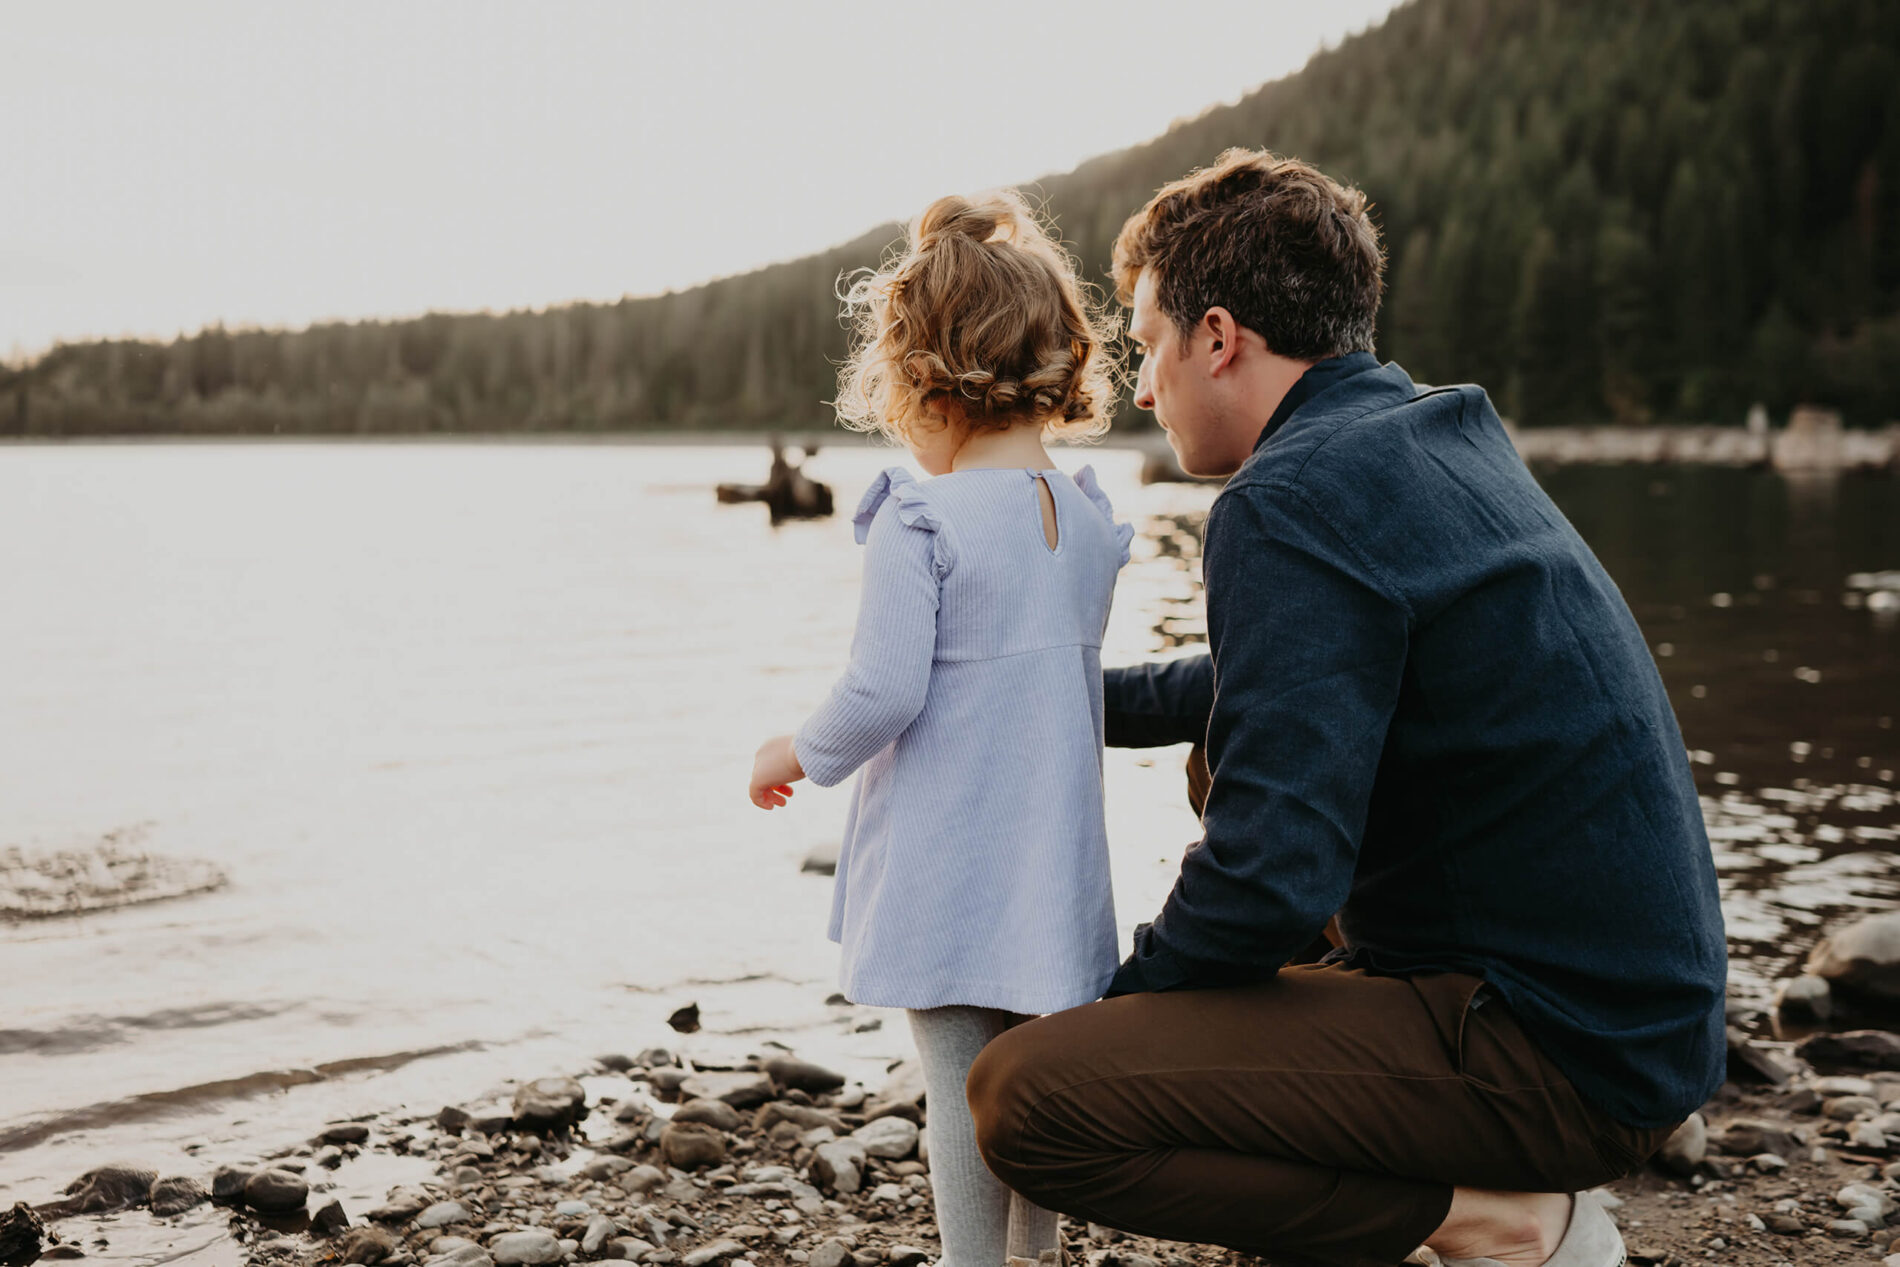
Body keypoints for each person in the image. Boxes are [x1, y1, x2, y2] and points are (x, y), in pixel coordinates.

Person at [965, 149, 1728, 1267]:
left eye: (1145, 344)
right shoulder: (1424, 432)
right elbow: (1256, 682)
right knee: (1221, 754)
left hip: (1557, 1055)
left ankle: (1504, 1222)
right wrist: (1036, 697)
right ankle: (1437, 1135)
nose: (1138, 384)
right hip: (1635, 1025)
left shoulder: (1286, 500)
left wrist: (1121, 1011)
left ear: (1217, 338)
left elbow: (1272, 875)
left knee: (1026, 1098)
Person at [746, 189, 1134, 1267]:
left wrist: (792, 751)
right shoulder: (1092, 522)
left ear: (926, 378)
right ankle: (1035, 1257)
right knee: (1034, 1093)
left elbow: (880, 692)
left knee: (960, 1096)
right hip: (1051, 873)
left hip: (952, 870)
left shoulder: (918, 518)